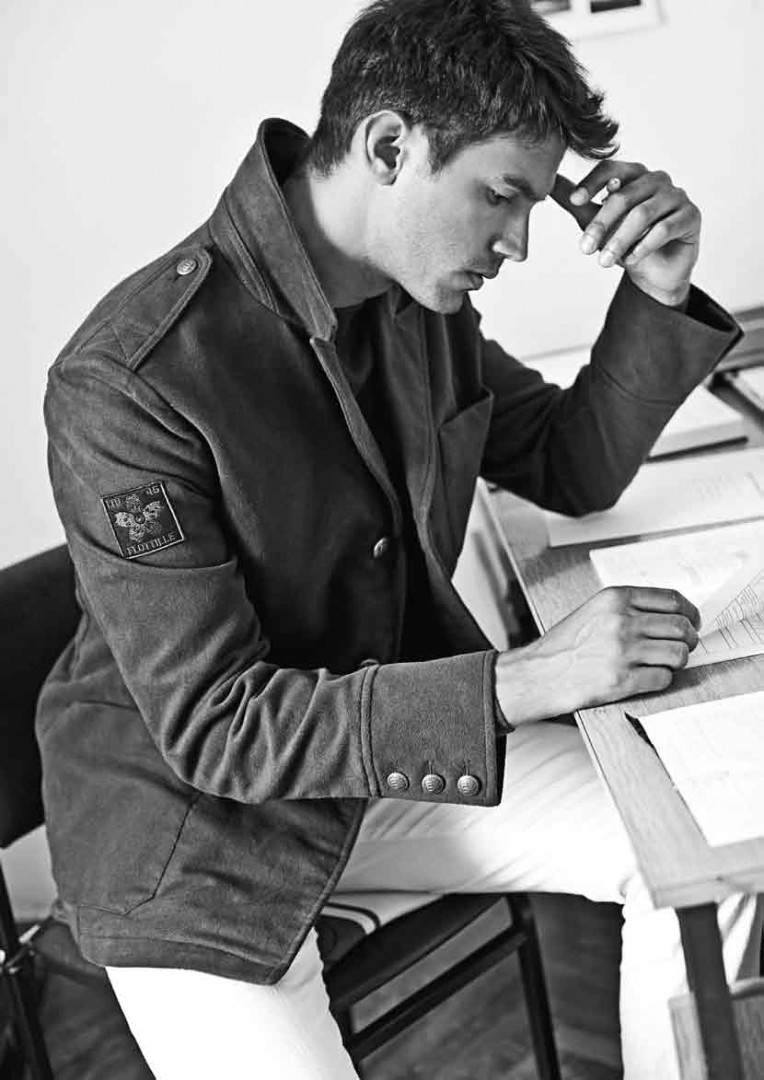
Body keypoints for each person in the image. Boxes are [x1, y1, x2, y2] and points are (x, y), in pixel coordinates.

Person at [39, 0, 761, 1076]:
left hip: (389, 770)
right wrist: (524, 679)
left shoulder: (418, 301)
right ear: (389, 147)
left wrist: (655, 289)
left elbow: (567, 466)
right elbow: (220, 728)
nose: (518, 243)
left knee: (712, 854)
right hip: (199, 838)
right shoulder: (131, 380)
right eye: (501, 196)